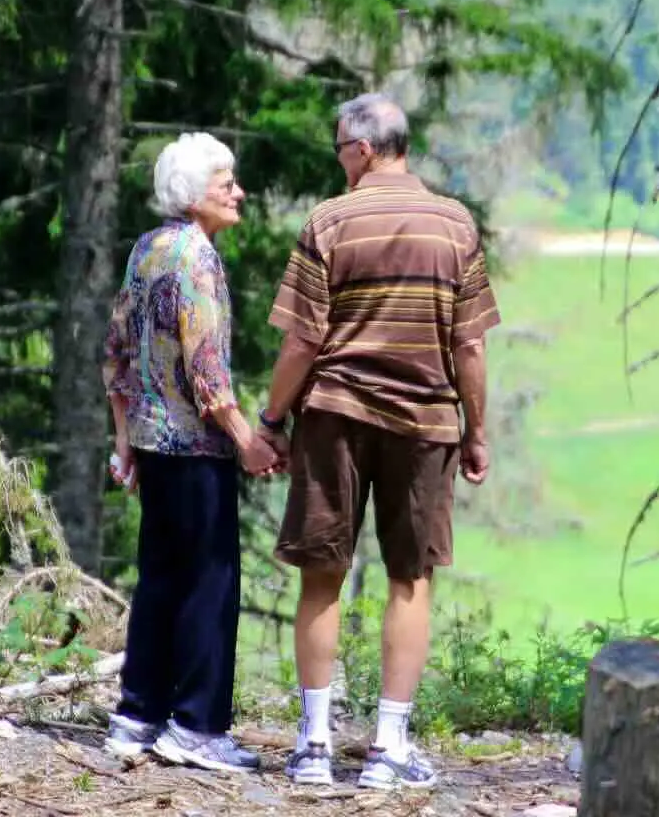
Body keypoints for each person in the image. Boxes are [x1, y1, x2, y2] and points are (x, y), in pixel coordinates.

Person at [255, 94, 499, 791]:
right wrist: (476, 431)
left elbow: (303, 341)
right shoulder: (454, 223)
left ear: (362, 150)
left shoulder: (328, 220)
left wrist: (271, 423)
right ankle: (389, 748)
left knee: (322, 576)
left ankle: (314, 745)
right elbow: (471, 343)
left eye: (339, 149)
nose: (339, 161)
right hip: (425, 425)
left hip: (334, 415)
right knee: (410, 578)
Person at [99, 131, 281, 774]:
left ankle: (136, 715)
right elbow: (208, 373)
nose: (238, 192)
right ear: (193, 192)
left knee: (160, 581)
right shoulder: (197, 259)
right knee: (209, 583)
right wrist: (249, 442)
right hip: (198, 447)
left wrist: (124, 445)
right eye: (225, 181)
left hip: (152, 444)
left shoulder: (147, 249)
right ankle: (197, 727)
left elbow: (116, 354)